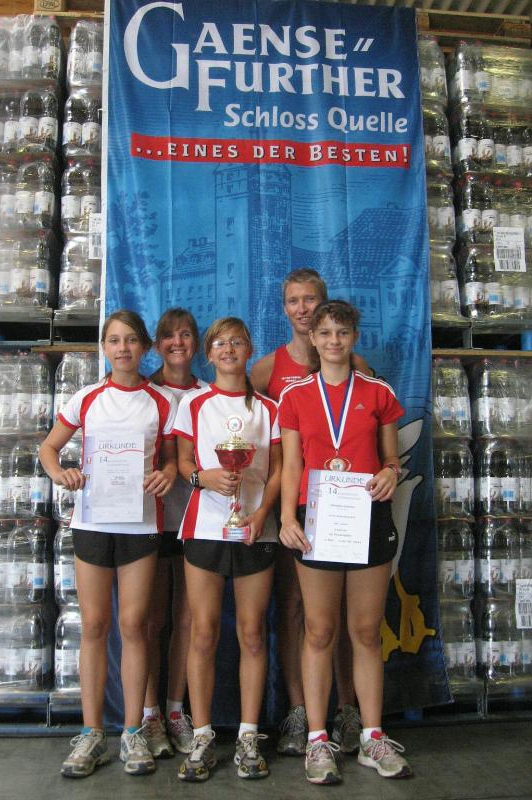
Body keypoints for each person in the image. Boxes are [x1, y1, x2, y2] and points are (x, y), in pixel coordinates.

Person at [39, 310, 178, 779]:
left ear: (145, 348)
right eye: (114, 341)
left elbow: (173, 461)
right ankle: (92, 732)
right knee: (95, 625)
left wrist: (167, 474)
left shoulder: (161, 401)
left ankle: (133, 731)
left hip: (140, 525)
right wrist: (61, 473)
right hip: (93, 522)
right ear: (104, 348)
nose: (123, 348)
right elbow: (48, 448)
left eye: (131, 340)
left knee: (134, 625)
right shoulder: (87, 398)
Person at [278, 299, 411, 785]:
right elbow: (291, 465)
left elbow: (391, 458)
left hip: (366, 519)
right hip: (315, 521)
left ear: (354, 337)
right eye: (325, 333)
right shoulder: (294, 395)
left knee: (367, 631)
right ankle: (318, 740)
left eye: (342, 333)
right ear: (312, 339)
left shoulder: (378, 392)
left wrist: (390, 473)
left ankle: (373, 736)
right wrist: (286, 517)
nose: (334, 341)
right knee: (318, 631)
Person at [250, 268, 365, 757]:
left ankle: (348, 710)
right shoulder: (266, 369)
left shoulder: (353, 363)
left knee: (341, 613)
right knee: (293, 607)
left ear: (324, 306)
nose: (301, 308)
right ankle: (299, 712)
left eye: (310, 299)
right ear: (284, 308)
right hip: (291, 510)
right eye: (293, 300)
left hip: (345, 512)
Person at [174, 317, 282, 782]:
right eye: (220, 343)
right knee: (202, 633)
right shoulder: (194, 404)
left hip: (256, 530)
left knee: (252, 633)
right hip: (205, 529)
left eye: (237, 342)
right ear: (209, 353)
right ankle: (201, 735)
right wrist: (205, 478)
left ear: (249, 349)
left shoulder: (270, 408)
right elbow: (182, 463)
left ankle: (248, 734)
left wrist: (262, 514)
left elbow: (278, 471)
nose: (229, 349)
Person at [141, 308, 207, 758]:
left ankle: (176, 709)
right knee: (150, 621)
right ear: (157, 345)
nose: (177, 343)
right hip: (148, 521)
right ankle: (149, 714)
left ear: (196, 343)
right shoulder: (143, 392)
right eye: (169, 336)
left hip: (197, 522)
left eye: (185, 335)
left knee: (187, 619)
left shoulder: (209, 394)